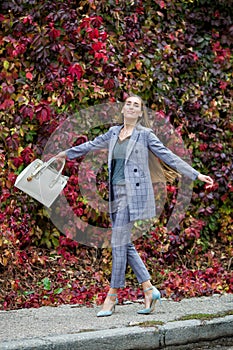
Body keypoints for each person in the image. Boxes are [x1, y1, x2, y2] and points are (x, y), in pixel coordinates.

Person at [54, 94, 214, 317]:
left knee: (118, 241)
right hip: (115, 194)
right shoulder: (112, 133)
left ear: (140, 113)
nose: (131, 107)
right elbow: (90, 145)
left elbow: (169, 156)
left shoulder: (145, 135)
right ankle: (149, 289)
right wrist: (65, 154)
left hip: (133, 195)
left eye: (136, 105)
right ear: (123, 110)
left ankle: (112, 296)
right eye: (128, 103)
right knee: (124, 243)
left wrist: (196, 175)